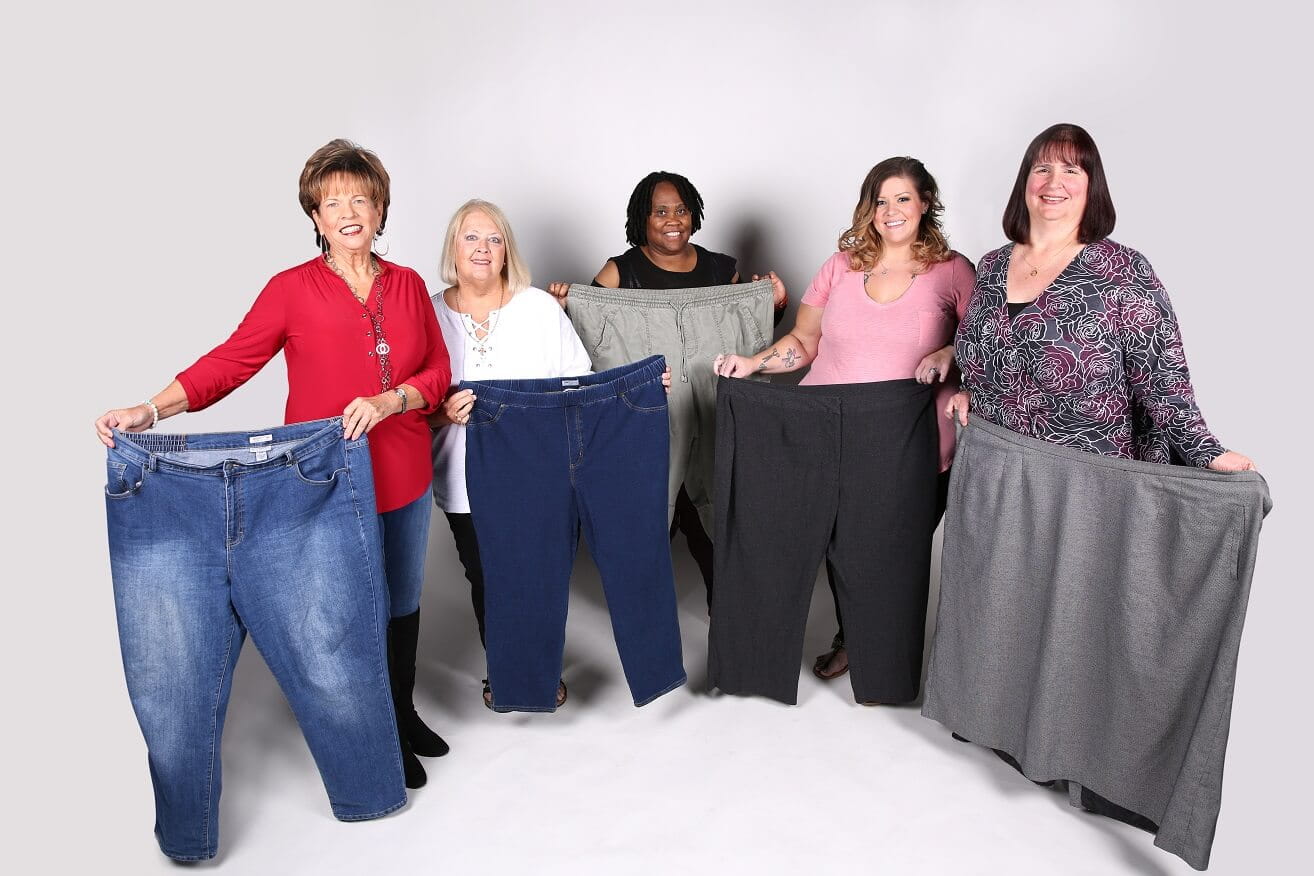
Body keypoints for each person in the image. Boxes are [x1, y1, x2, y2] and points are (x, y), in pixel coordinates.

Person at [95, 139, 452, 790]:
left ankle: (402, 713)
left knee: (402, 603)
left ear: (380, 210)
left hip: (403, 472)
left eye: (360, 198)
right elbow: (231, 363)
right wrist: (152, 410)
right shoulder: (290, 290)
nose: (348, 211)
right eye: (331, 201)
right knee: (349, 616)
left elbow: (436, 370)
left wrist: (393, 397)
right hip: (320, 483)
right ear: (315, 218)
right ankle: (376, 739)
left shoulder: (407, 287)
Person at [945, 122, 1253, 828]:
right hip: (1002, 473)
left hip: (1088, 478)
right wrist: (967, 389)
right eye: (1043, 169)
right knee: (1008, 606)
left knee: (1080, 623)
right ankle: (1003, 729)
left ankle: (1083, 764)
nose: (1055, 184)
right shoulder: (992, 266)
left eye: (1072, 173)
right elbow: (987, 354)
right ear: (1025, 181)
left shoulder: (1122, 271)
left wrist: (1204, 451)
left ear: (1092, 189)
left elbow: (1162, 379)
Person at [713, 156, 974, 690]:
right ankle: (852, 638)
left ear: (925, 203)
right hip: (824, 429)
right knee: (833, 538)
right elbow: (804, 343)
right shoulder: (841, 266)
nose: (891, 210)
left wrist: (950, 351)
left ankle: (878, 652)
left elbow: (987, 345)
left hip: (912, 439)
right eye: (881, 200)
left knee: (887, 553)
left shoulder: (954, 271)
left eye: (903, 198)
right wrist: (754, 362)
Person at [548, 171, 788, 606]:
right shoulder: (620, 271)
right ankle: (650, 645)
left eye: (680, 209)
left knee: (722, 528)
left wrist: (773, 304)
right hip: (651, 421)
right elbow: (589, 345)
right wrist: (569, 309)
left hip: (714, 415)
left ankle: (731, 640)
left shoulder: (721, 269)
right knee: (644, 533)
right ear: (643, 219)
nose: (672, 219)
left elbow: (750, 338)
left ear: (694, 215)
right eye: (660, 211)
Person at [428, 200, 594, 709]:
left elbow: (578, 388)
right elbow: (406, 400)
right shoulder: (428, 313)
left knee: (537, 574)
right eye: (471, 237)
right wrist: (442, 413)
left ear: (507, 251)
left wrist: (647, 384)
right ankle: (505, 670)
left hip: (537, 474)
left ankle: (541, 671)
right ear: (453, 248)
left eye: (494, 239)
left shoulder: (539, 307)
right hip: (461, 476)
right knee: (488, 578)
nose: (482, 248)